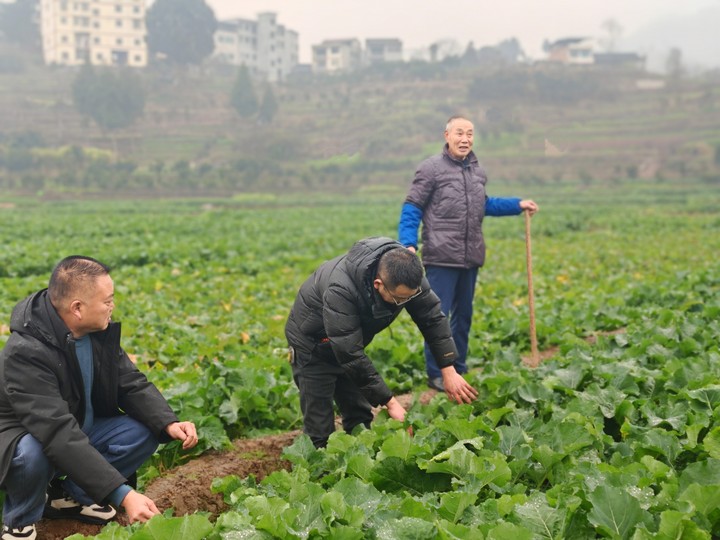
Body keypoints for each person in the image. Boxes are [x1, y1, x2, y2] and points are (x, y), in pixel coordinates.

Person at [0, 256, 199, 540]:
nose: (112, 306)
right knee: (33, 451)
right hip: (24, 438)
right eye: (107, 301)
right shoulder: (26, 352)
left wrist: (168, 422)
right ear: (77, 308)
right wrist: (124, 495)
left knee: (143, 429)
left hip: (75, 425)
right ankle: (19, 518)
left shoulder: (95, 332)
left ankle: (69, 498)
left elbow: (129, 382)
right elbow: (56, 433)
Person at [285, 237, 478, 449]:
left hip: (349, 340)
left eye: (409, 298)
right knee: (319, 426)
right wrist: (391, 403)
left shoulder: (409, 276)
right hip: (312, 345)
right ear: (378, 284)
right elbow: (349, 352)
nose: (404, 303)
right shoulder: (341, 288)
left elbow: (432, 318)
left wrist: (448, 369)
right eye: (398, 299)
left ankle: (357, 464)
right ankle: (317, 471)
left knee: (359, 413)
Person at [398, 115, 539, 392]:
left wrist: (517, 204)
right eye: (459, 133)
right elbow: (412, 207)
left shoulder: (476, 171)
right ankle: (438, 373)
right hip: (440, 256)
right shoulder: (431, 169)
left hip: (470, 255)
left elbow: (484, 204)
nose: (465, 139)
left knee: (464, 316)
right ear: (447, 135)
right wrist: (408, 243)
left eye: (470, 134)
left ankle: (458, 369)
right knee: (438, 317)